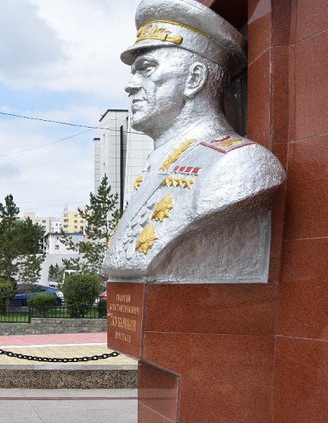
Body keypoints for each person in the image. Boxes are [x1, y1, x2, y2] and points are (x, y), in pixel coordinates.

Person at [103, 0, 285, 284]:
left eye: (146, 69)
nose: (131, 85)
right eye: (133, 72)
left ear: (194, 78)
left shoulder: (238, 165)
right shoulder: (158, 165)